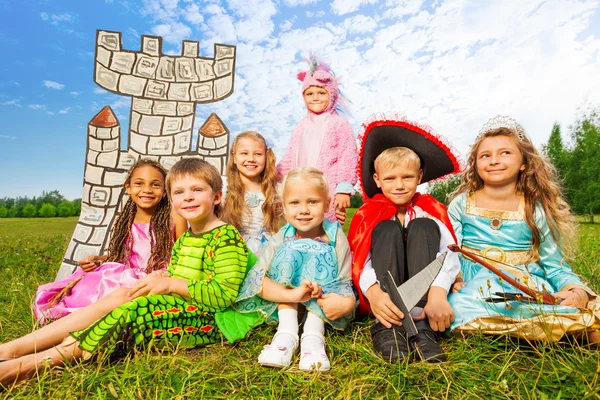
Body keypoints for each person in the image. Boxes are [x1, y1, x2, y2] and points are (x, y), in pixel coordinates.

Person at [0, 158, 254, 386]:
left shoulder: (226, 236)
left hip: (208, 319)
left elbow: (224, 296)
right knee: (123, 294)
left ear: (217, 197)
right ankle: (13, 348)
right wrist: (160, 278)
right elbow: (176, 273)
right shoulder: (187, 238)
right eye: (179, 192)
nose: (187, 197)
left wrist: (171, 284)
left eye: (197, 190)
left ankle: (29, 365)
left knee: (131, 311)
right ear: (173, 200)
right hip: (183, 301)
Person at [447, 116, 600, 343]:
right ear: (475, 165)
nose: (494, 160)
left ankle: (546, 325)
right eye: (485, 155)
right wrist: (453, 280)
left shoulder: (535, 209)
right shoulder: (460, 204)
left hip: (523, 284)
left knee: (553, 304)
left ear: (524, 163)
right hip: (472, 284)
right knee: (456, 305)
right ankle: (554, 331)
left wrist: (575, 291)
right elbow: (449, 252)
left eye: (505, 153)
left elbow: (554, 265)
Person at [348, 115, 462, 363]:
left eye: (407, 177)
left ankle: (421, 326)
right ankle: (389, 326)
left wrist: (438, 293)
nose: (399, 185)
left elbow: (449, 254)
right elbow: (361, 260)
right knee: (386, 231)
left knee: (423, 226)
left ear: (419, 176)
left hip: (425, 297)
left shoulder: (430, 208)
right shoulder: (369, 213)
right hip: (386, 298)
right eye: (390, 179)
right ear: (377, 180)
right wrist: (375, 293)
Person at [33, 158, 187, 324]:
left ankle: (94, 320)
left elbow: (185, 254)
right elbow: (124, 256)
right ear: (128, 187)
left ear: (165, 190)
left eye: (155, 184)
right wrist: (98, 260)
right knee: (94, 283)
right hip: (127, 273)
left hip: (157, 276)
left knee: (120, 290)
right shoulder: (127, 219)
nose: (147, 190)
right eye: (139, 183)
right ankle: (75, 319)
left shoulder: (174, 216)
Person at [232, 167, 356, 371]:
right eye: (295, 203)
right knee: (289, 250)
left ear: (326, 204)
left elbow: (344, 278)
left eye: (313, 202)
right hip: (286, 304)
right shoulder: (282, 236)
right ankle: (287, 332)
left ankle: (313, 335)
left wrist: (346, 303)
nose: (304, 210)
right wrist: (290, 294)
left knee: (322, 252)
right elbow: (260, 277)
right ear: (284, 207)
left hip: (323, 303)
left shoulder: (335, 235)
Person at [276, 57, 357, 224]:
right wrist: (275, 173)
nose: (315, 98)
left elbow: (347, 156)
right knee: (300, 227)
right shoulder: (301, 125)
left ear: (332, 94)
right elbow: (290, 155)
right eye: (309, 94)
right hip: (299, 187)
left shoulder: (338, 123)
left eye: (321, 93)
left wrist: (343, 189)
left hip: (326, 189)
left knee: (327, 229)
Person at [223, 131, 281, 256]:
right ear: (234, 157)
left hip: (266, 252)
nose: (251, 159)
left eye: (258, 154)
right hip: (232, 251)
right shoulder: (224, 187)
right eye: (244, 153)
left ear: (266, 156)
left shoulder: (276, 189)